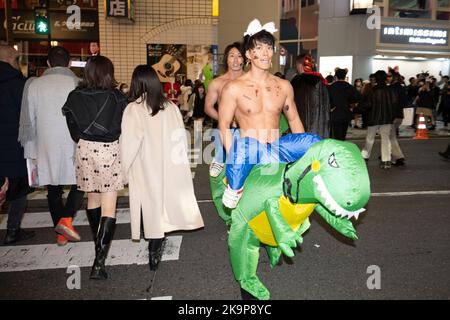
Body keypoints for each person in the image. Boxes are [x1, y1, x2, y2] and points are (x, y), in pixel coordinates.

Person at [219, 19, 319, 209]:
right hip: (249, 152)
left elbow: (294, 119)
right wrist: (233, 161)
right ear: (248, 54)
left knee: (314, 141)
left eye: (268, 47)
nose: (265, 53)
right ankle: (235, 186)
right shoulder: (233, 88)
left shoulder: (284, 86)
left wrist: (303, 158)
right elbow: (224, 126)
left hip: (276, 148)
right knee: (245, 147)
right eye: (258, 48)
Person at [120, 65, 204, 271]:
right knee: (163, 204)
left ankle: (153, 248)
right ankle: (156, 246)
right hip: (168, 163)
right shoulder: (171, 107)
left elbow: (129, 144)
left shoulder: (134, 109)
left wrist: (122, 171)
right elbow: (180, 139)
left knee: (148, 205)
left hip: (144, 165)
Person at [62, 55, 127, 280]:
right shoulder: (117, 97)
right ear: (109, 72)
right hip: (110, 149)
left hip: (84, 149)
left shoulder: (74, 96)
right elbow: (123, 127)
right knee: (109, 205)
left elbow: (72, 130)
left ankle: (97, 250)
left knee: (92, 200)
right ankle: (99, 263)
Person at [24, 46, 84, 246]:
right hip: (73, 142)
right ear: (69, 63)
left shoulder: (34, 85)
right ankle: (66, 220)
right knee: (79, 183)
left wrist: (30, 152)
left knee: (53, 188)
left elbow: (28, 121)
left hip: (45, 144)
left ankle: (60, 230)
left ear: (48, 64)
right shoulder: (77, 83)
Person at [0, 44, 35, 244]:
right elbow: (28, 117)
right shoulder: (18, 85)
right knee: (18, 191)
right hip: (14, 146)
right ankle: (13, 230)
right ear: (9, 60)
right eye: (16, 59)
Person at [205, 42, 245, 177]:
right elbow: (208, 107)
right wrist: (225, 120)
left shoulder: (250, 81)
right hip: (223, 129)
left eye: (239, 56)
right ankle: (220, 157)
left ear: (244, 59)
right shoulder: (217, 83)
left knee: (244, 167)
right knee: (223, 173)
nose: (235, 60)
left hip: (246, 128)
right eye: (231, 56)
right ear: (226, 59)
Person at [358, 70, 397, 170]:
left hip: (373, 117)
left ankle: (365, 156)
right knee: (385, 139)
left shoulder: (372, 90)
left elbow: (367, 104)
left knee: (370, 138)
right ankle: (386, 160)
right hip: (387, 118)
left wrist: (358, 108)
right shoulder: (390, 90)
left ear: (376, 78)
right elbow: (394, 104)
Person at [290, 54, 330, 138]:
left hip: (300, 124)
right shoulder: (321, 80)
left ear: (300, 65)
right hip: (319, 125)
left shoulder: (297, 81)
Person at [328, 68, 361, 140]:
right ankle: (342, 148)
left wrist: (331, 107)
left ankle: (336, 150)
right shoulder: (349, 87)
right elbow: (358, 97)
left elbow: (327, 99)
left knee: (335, 135)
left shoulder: (331, 87)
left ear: (336, 77)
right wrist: (351, 105)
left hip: (335, 113)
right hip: (346, 113)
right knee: (343, 134)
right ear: (345, 77)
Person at [387, 68, 407, 166]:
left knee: (391, 137)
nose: (387, 78)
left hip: (393, 116)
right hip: (399, 115)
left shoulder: (392, 88)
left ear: (394, 77)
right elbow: (404, 102)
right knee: (390, 136)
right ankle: (387, 153)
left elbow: (392, 103)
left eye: (389, 76)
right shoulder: (401, 87)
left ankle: (399, 157)